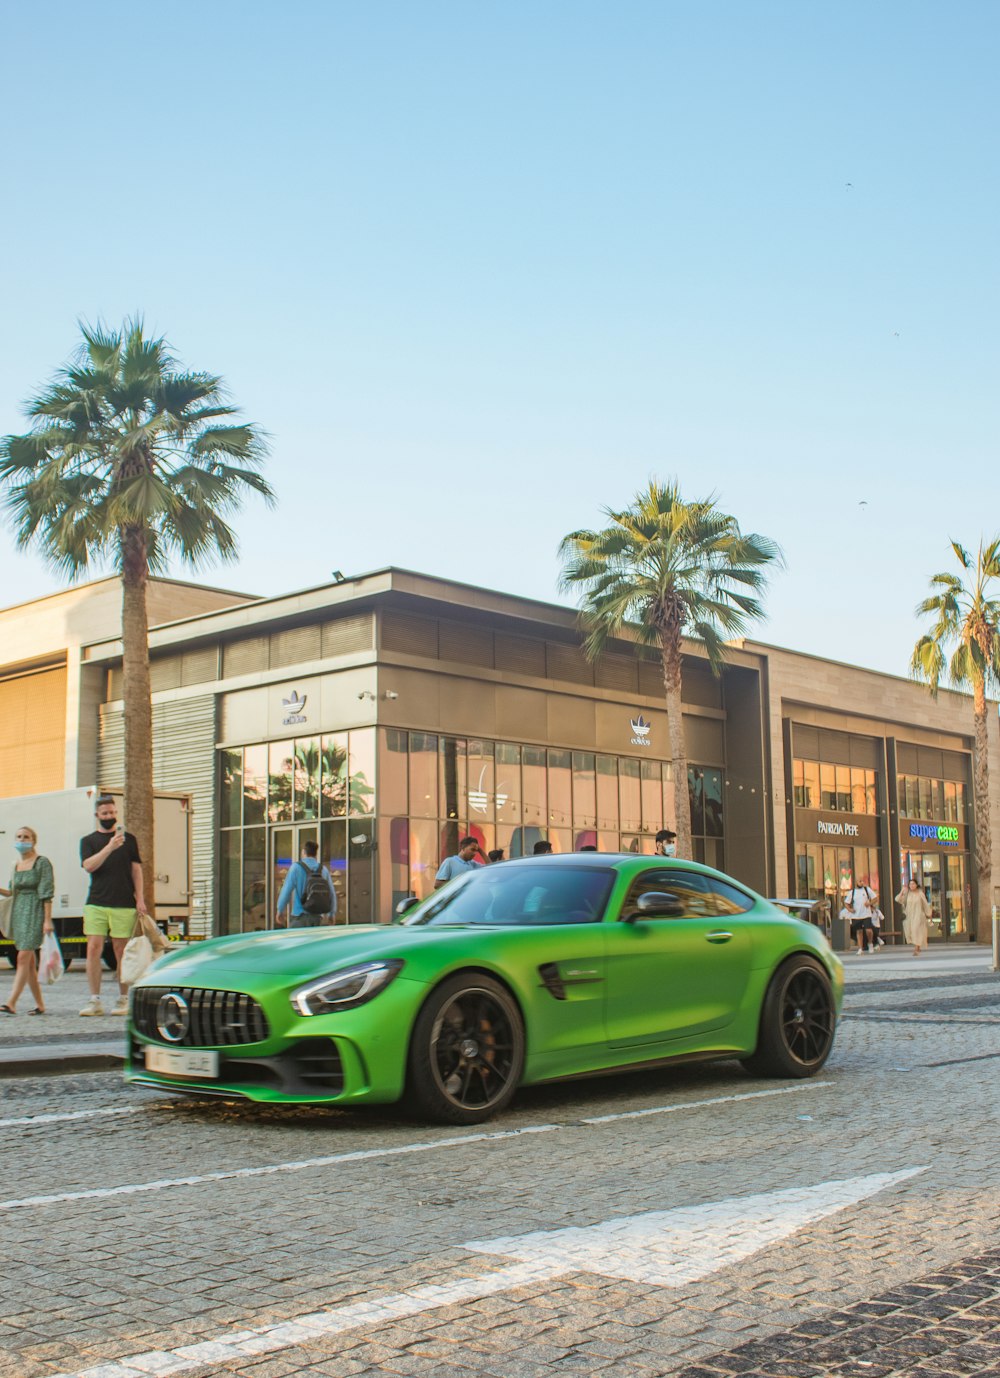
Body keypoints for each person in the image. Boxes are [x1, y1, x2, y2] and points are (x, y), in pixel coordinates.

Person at [79, 794, 147, 1016]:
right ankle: (94, 1000)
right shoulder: (88, 841)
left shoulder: (130, 840)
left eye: (112, 813)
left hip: (123, 903)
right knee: (93, 948)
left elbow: (136, 870)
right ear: (97, 815)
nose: (110, 816)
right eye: (105, 813)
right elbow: (88, 866)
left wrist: (140, 899)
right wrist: (109, 847)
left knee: (121, 951)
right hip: (96, 902)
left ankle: (123, 998)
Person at [0, 826, 55, 1016]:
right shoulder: (15, 865)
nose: (22, 840)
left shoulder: (42, 863)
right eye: (19, 837)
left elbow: (46, 894)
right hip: (19, 912)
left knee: (23, 957)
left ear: (34, 840)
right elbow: (12, 892)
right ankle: (40, 1004)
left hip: (35, 911)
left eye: (26, 837)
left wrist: (47, 920)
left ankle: (11, 1002)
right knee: (29, 963)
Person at [275, 841, 336, 927]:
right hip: (317, 918)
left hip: (299, 916)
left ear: (303, 852)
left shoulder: (295, 868)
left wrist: (280, 910)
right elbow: (331, 894)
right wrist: (331, 914)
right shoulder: (323, 870)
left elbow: (286, 891)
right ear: (316, 854)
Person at [896, 878, 931, 956]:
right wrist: (902, 892)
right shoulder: (907, 894)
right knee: (910, 932)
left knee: (916, 930)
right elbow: (897, 899)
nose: (911, 885)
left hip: (918, 915)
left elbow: (925, 904)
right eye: (910, 884)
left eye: (913, 884)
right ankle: (918, 946)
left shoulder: (920, 893)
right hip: (909, 916)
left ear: (916, 885)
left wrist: (929, 914)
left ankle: (916, 948)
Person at [845, 881, 877, 953]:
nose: (862, 883)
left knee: (868, 930)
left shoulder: (867, 890)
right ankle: (860, 948)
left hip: (866, 914)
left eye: (862, 881)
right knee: (859, 931)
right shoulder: (852, 892)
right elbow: (846, 903)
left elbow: (875, 898)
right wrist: (850, 909)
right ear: (856, 882)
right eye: (860, 881)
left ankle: (870, 943)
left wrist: (869, 903)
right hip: (856, 915)